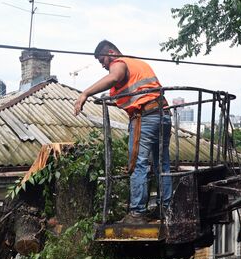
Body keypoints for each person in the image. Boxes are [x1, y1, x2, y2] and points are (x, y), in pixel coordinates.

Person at [73, 40, 172, 224]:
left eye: (103, 60)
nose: (103, 65)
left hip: (146, 116)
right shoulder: (138, 64)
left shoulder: (119, 63)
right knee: (161, 164)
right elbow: (129, 89)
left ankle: (137, 214)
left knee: (137, 164)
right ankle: (165, 209)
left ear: (111, 53)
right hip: (163, 115)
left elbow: (114, 77)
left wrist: (85, 93)